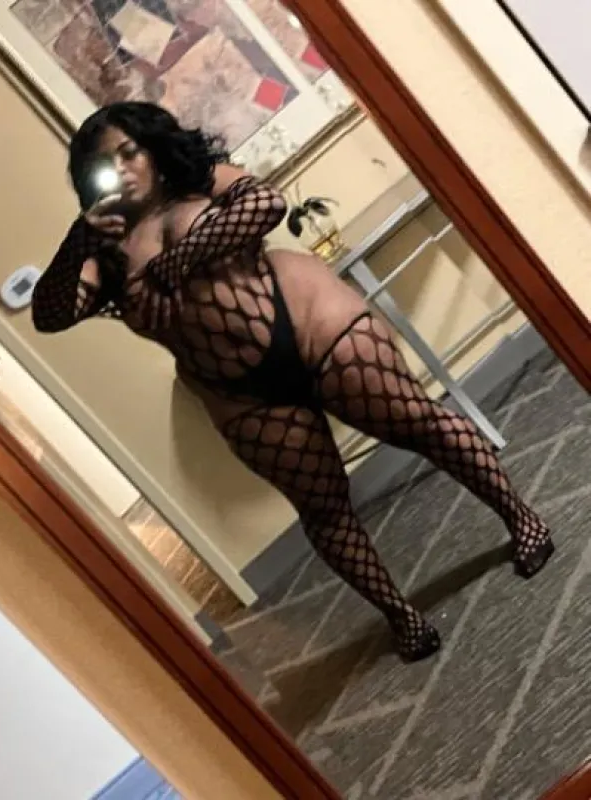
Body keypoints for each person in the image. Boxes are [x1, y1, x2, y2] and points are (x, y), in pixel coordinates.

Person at [32, 101, 554, 662]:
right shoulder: (104, 255)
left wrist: (174, 263)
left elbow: (265, 204)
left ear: (152, 149)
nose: (123, 169)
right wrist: (77, 240)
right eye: (105, 165)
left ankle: (522, 519)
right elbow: (50, 314)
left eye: (129, 151)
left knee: (421, 425)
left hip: (312, 323)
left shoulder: (199, 180)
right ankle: (400, 616)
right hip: (242, 394)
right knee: (324, 509)